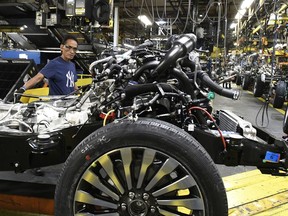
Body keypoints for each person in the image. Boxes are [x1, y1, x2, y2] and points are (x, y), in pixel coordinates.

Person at [15, 34, 79, 100]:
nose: (72, 51)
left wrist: (79, 93)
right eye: (68, 47)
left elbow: (71, 83)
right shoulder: (54, 64)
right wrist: (22, 89)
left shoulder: (72, 65)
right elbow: (38, 77)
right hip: (57, 105)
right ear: (62, 47)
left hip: (70, 103)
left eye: (74, 49)